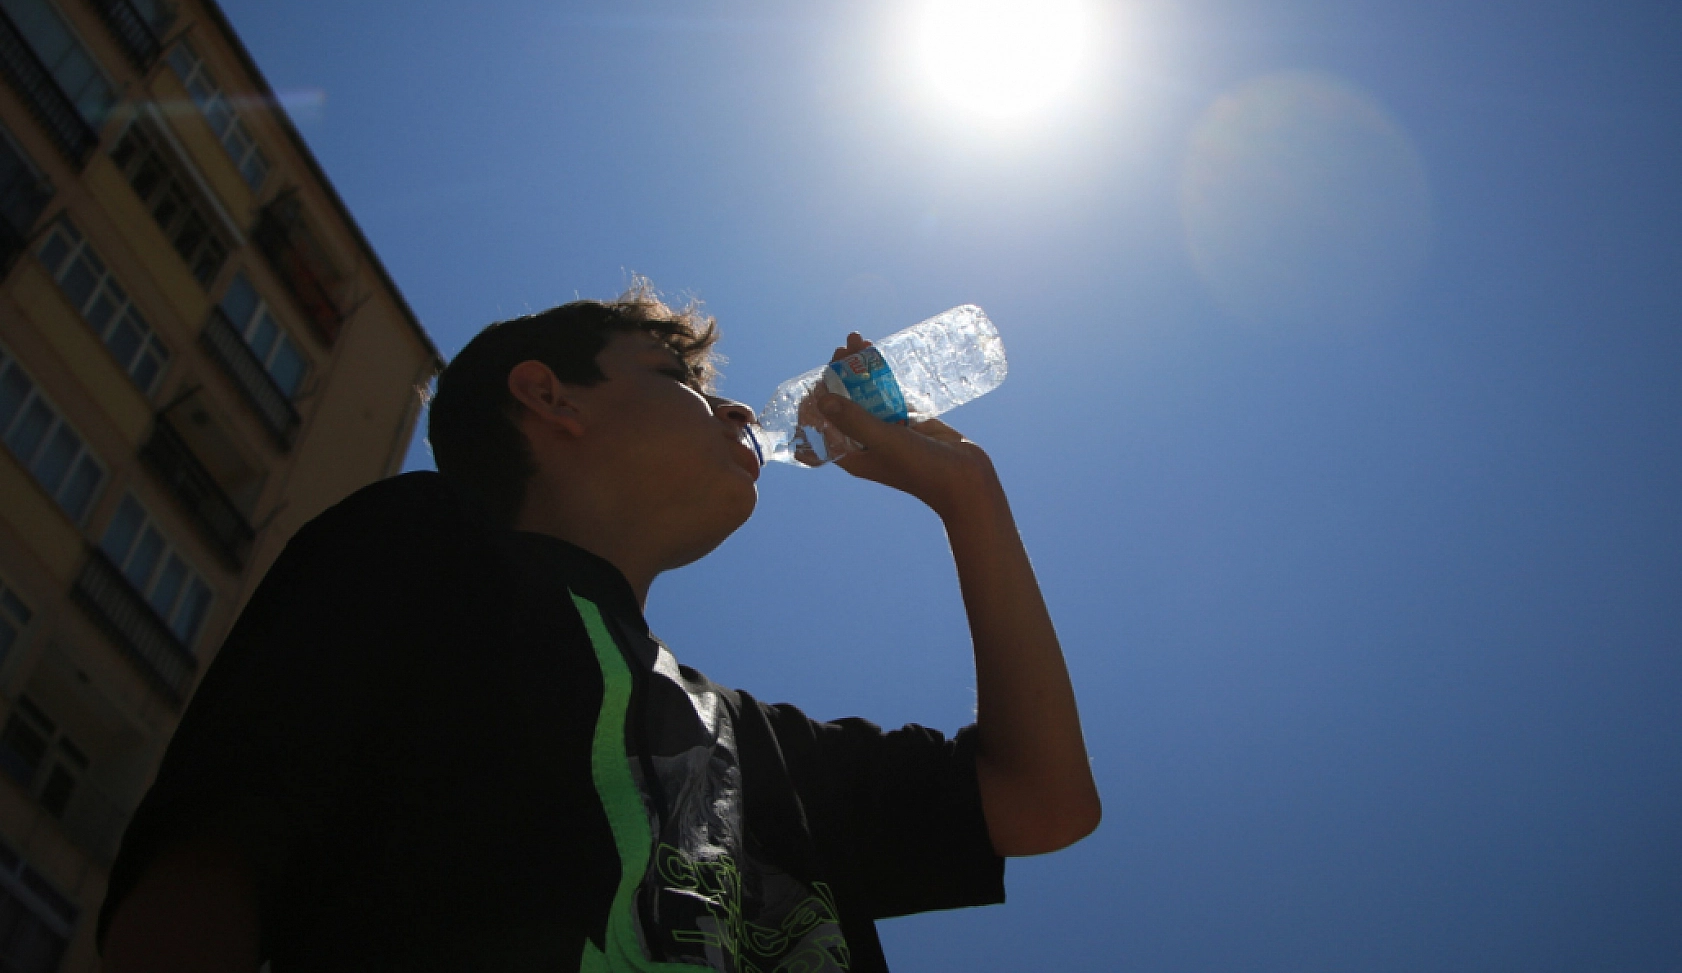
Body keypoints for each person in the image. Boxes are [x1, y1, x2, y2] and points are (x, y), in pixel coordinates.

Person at [98, 285, 1099, 973]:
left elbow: (1041, 801)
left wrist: (969, 498)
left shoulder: (755, 748)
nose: (740, 408)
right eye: (680, 376)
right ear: (547, 396)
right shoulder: (427, 546)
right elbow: (209, 864)